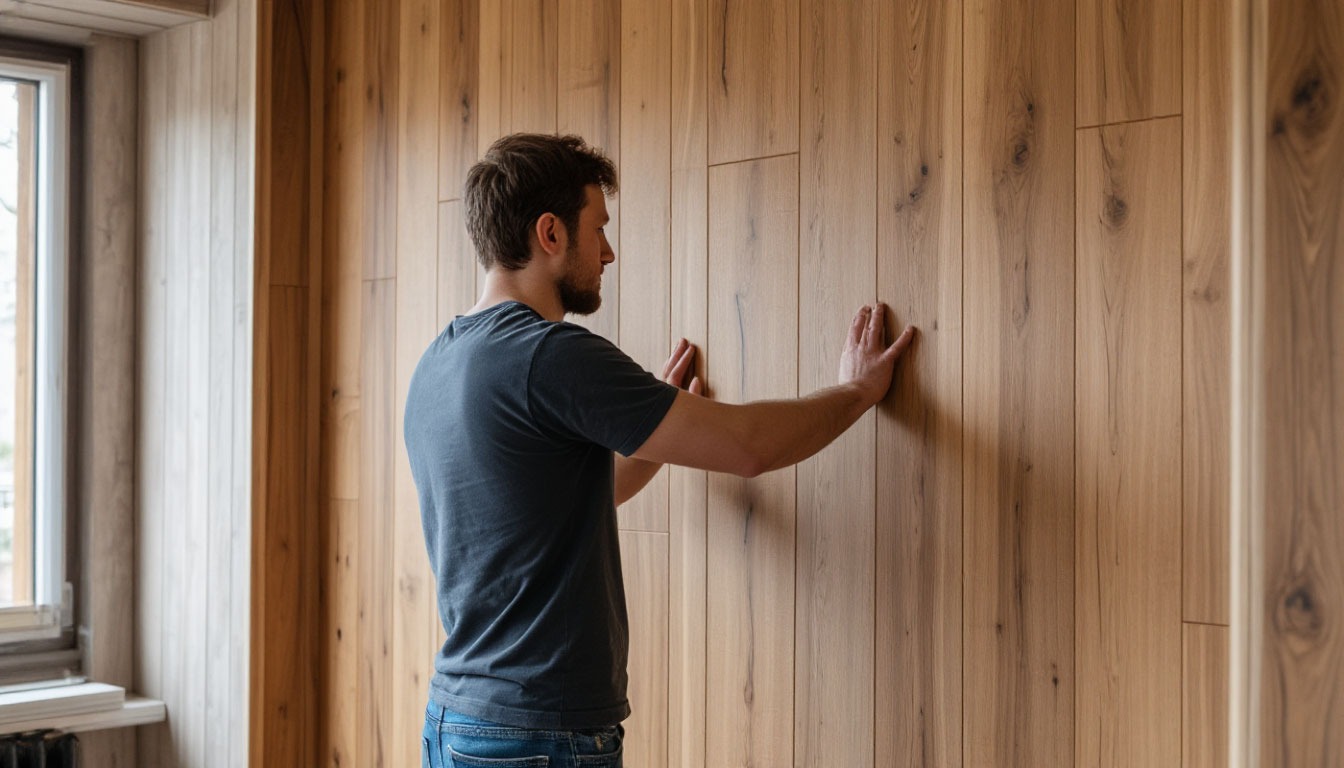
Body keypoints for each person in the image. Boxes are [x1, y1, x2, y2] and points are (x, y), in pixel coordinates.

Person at [405, 133, 916, 768]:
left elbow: (570, 496)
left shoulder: (436, 364)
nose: (608, 251)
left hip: (457, 722)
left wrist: (657, 424)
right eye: (598, 229)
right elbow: (749, 447)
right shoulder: (550, 356)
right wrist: (858, 391)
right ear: (550, 233)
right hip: (537, 735)